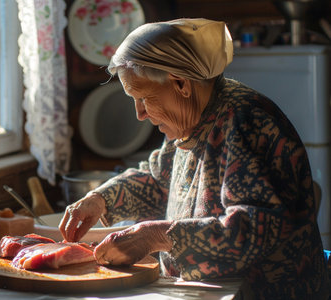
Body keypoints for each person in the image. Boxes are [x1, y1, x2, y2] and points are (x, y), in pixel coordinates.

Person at [59, 18, 330, 299]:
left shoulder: (247, 122)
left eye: (144, 98)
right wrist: (100, 200)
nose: (139, 113)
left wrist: (157, 236)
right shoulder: (190, 120)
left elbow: (252, 231)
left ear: (180, 84)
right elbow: (158, 180)